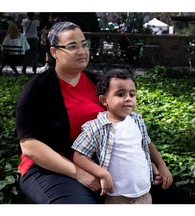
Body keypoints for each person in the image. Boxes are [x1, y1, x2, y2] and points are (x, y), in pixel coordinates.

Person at [15, 21, 180, 204]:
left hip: (100, 161)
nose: (82, 51)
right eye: (72, 46)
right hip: (50, 168)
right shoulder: (37, 90)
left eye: (84, 44)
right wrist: (79, 173)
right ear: (54, 52)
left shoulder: (99, 83)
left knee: (166, 189)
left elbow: (129, 125)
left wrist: (146, 162)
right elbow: (30, 147)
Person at [71, 70, 173, 204]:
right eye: (120, 94)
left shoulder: (136, 120)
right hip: (117, 198)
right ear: (103, 100)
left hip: (144, 195)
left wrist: (162, 165)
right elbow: (79, 156)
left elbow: (147, 143)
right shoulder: (97, 127)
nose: (128, 98)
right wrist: (102, 173)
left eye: (132, 94)